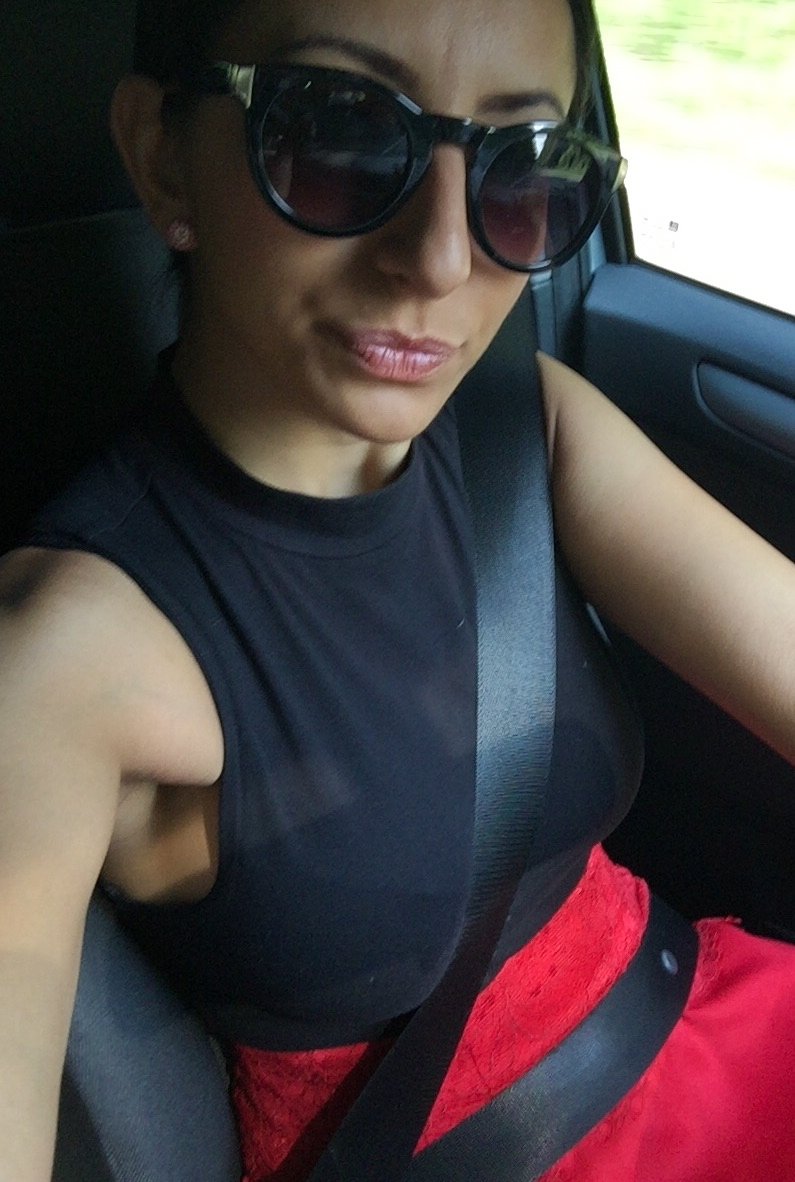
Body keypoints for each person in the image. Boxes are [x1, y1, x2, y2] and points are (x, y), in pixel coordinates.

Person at [1, 0, 794, 1179]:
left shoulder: (527, 425)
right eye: (338, 132)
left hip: (717, 1039)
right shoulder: (67, 657)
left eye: (524, 165)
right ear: (163, 155)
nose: (441, 259)